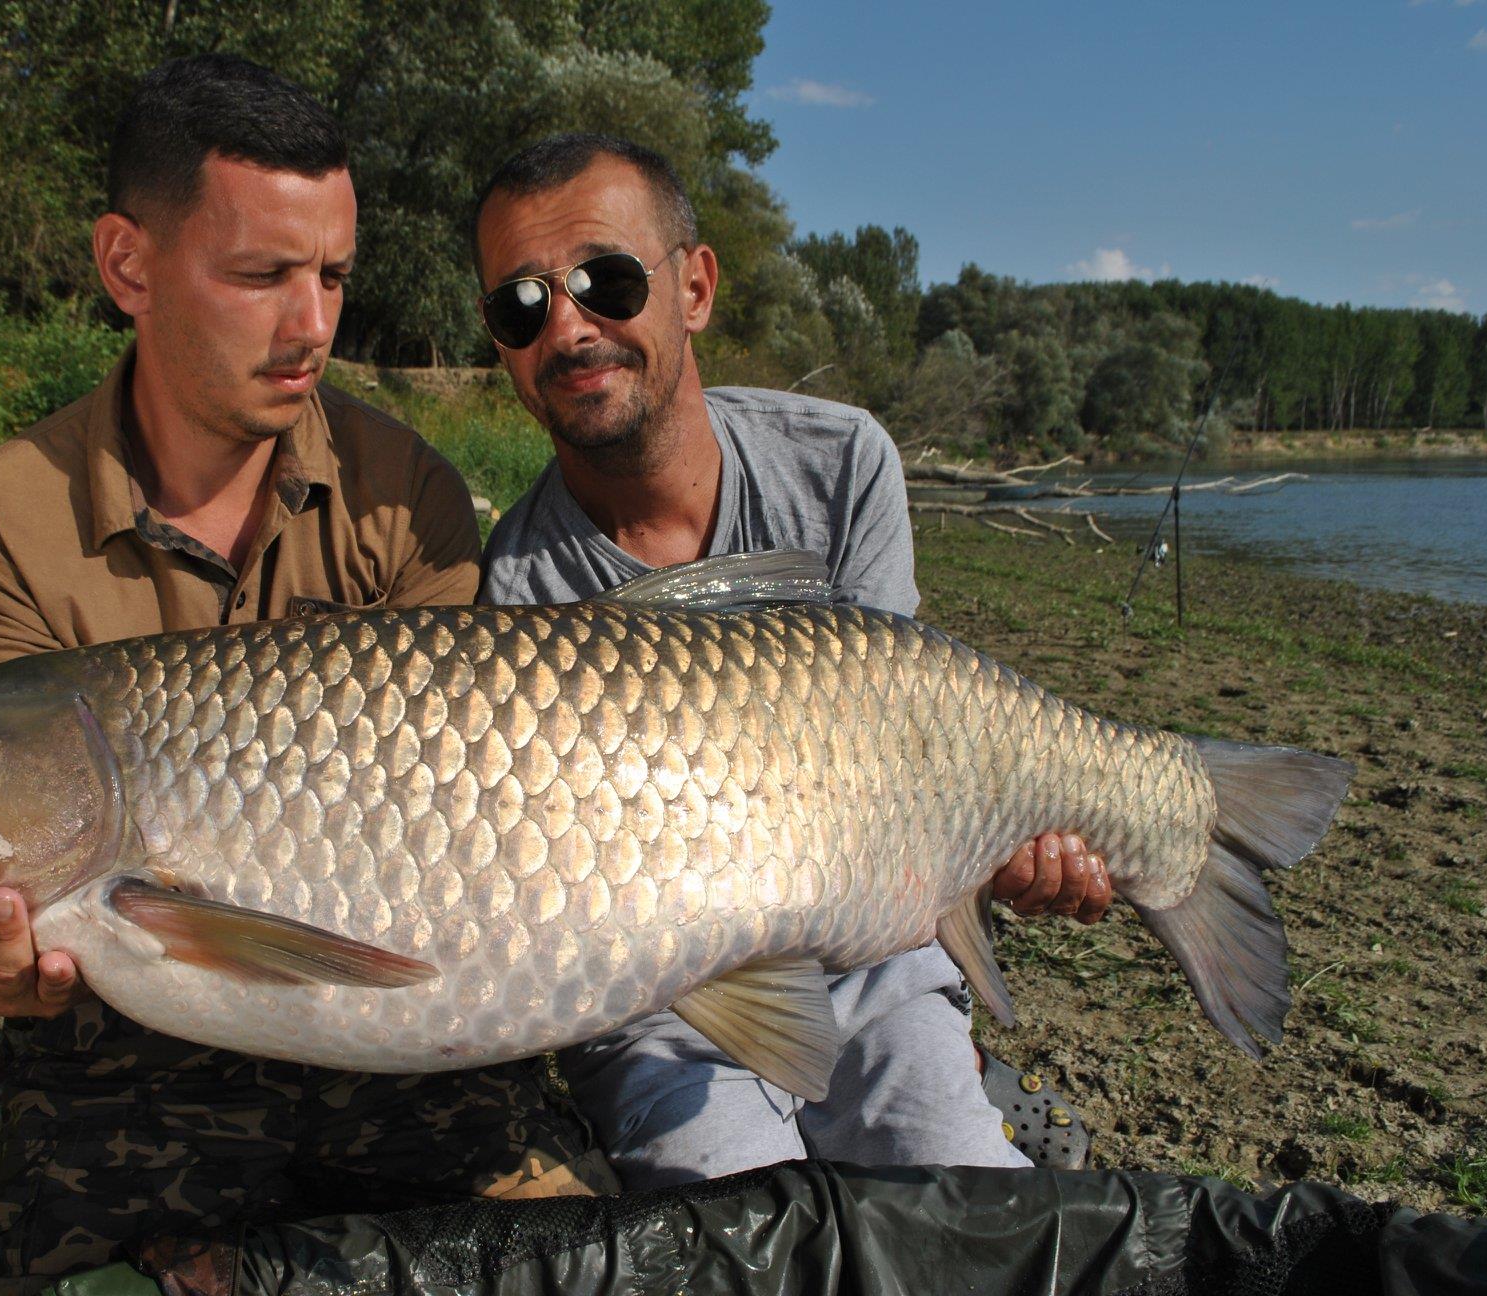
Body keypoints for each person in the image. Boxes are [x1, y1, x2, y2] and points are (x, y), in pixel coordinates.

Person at [0, 58, 614, 1296]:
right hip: (129, 1040)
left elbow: (457, 834)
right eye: (261, 276)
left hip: (394, 1007)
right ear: (128, 264)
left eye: (334, 276)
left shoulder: (407, 494)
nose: (312, 327)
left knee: (573, 1260)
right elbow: (19, 862)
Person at [470, 133, 1111, 1187]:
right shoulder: (518, 581)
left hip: (871, 962)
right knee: (739, 1228)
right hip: (653, 999)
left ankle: (961, 1090)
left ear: (694, 287)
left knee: (956, 1196)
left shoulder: (841, 462)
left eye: (605, 281)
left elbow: (905, 763)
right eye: (521, 306)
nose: (569, 327)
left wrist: (1000, 852)